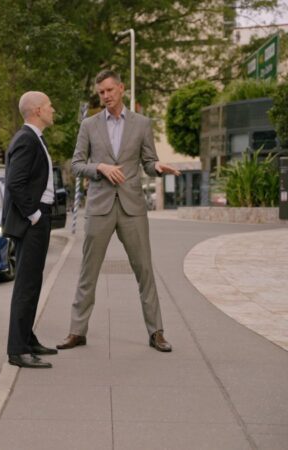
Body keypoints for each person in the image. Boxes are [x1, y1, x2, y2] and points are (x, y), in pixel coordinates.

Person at [57, 70, 181, 353]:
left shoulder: (142, 124)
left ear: (121, 89)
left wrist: (157, 167)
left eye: (110, 90)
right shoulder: (89, 125)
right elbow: (77, 165)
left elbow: (149, 161)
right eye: (101, 92)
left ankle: (156, 332)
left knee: (145, 270)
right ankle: (77, 331)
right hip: (99, 208)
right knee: (88, 272)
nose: (106, 96)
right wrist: (99, 168)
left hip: (132, 207)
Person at [2, 91, 59, 369]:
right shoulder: (26, 139)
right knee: (26, 286)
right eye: (49, 105)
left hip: (39, 220)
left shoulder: (35, 138)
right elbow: (15, 182)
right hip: (32, 222)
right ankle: (18, 350)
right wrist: (34, 215)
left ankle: (28, 338)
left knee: (33, 283)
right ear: (37, 110)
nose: (53, 109)